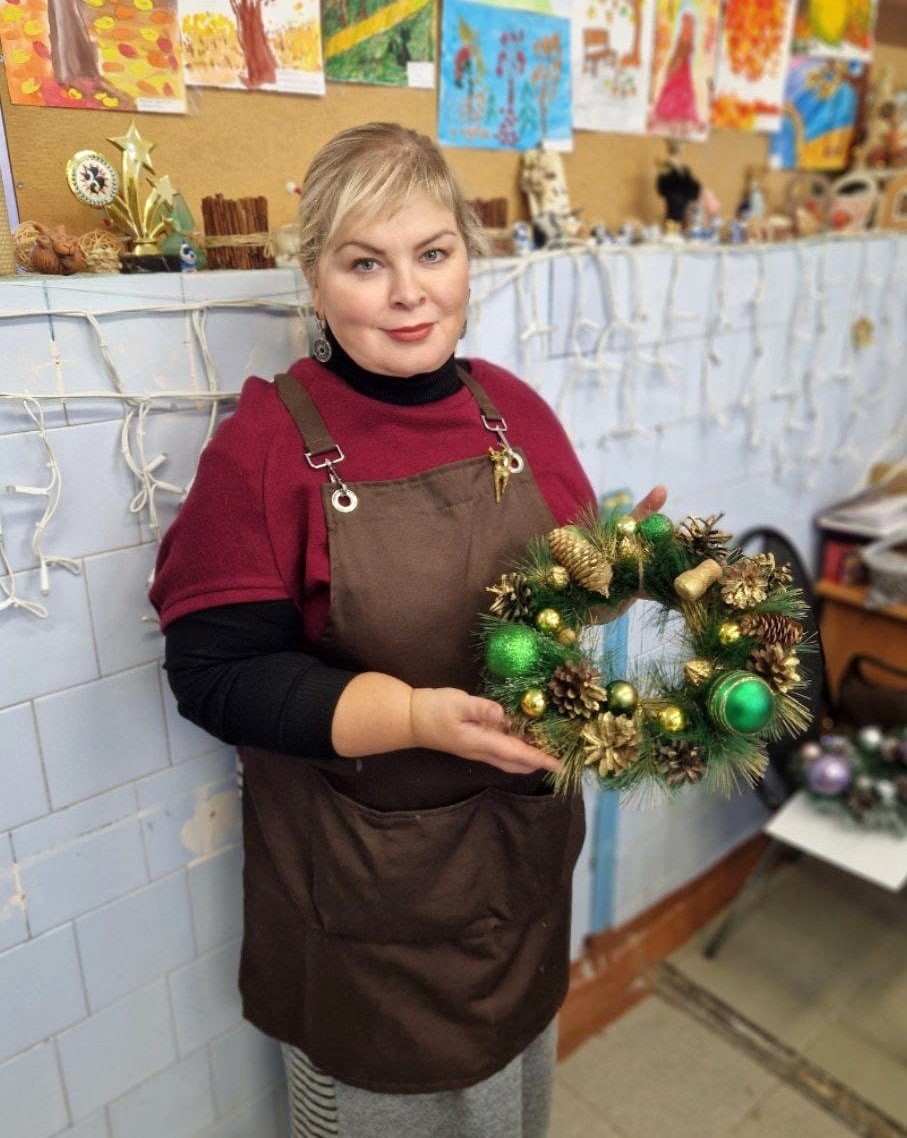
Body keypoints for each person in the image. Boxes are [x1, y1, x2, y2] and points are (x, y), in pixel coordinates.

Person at [151, 121, 666, 1137]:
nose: (407, 293)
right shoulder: (265, 448)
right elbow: (216, 673)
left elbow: (553, 603)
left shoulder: (512, 410)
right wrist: (417, 718)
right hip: (365, 906)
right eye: (364, 263)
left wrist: (620, 572)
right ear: (315, 280)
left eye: (432, 253)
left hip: (517, 869)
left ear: (467, 259)